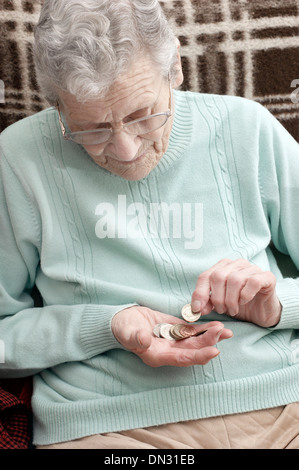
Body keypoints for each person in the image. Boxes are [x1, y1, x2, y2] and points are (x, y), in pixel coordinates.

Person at [0, 0, 298, 449]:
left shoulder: (246, 128)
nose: (124, 149)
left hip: (283, 406)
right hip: (106, 427)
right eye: (90, 129)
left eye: (143, 115)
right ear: (57, 106)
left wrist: (277, 305)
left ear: (175, 67)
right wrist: (106, 325)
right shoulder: (18, 157)